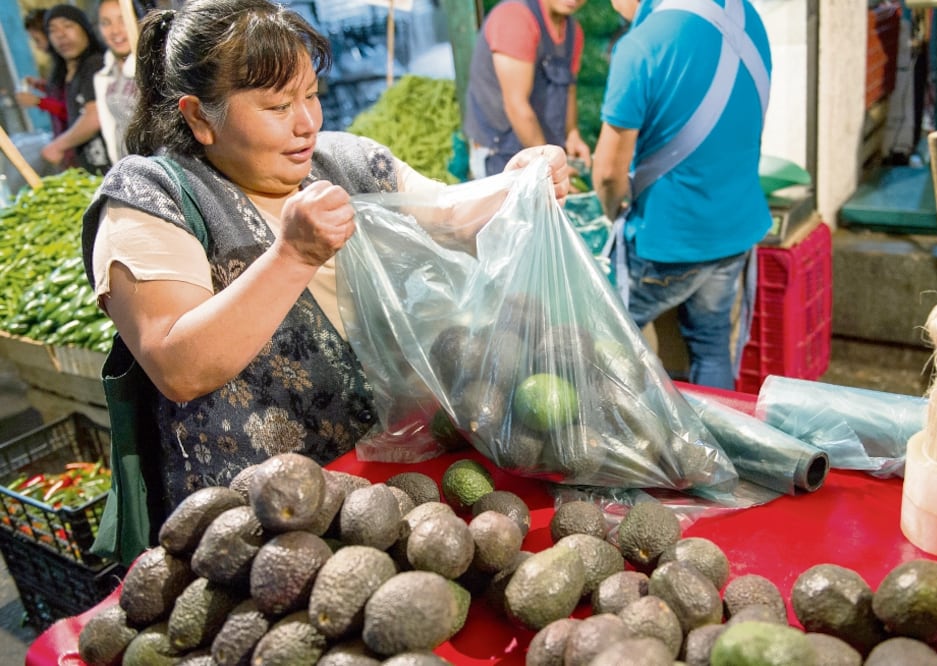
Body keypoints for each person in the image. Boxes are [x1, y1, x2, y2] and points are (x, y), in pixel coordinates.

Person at [81, 0, 569, 511]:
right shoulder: (151, 197)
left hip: (391, 482)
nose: (306, 123)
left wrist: (521, 181)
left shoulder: (345, 161)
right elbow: (179, 366)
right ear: (201, 117)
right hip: (263, 516)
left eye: (311, 95)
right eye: (277, 106)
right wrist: (293, 255)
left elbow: (449, 215)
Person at [591, 0, 772, 391]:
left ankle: (640, 442)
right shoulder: (746, 16)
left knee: (606, 344)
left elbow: (608, 174)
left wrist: (611, 211)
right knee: (710, 345)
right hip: (735, 228)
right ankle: (718, 446)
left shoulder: (641, 46)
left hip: (668, 241)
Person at [464, 0, 591, 178]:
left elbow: (569, 88)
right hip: (502, 157)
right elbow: (517, 106)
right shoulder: (515, 19)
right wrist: (548, 166)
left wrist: (572, 133)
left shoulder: (573, 32)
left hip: (541, 154)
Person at [38, 5, 111, 174]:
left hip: (112, 172)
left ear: (85, 29)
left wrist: (57, 146)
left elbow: (94, 116)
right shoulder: (69, 73)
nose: (61, 35)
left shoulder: (95, 64)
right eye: (53, 30)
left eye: (68, 26)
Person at [15, 9, 69, 149]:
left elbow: (70, 110)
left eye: (37, 40)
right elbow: (62, 93)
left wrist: (38, 102)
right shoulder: (58, 64)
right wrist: (42, 86)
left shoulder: (68, 64)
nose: (38, 47)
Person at [94, 0, 138, 164]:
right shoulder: (105, 75)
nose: (115, 30)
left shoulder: (155, 65)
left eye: (122, 19)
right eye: (106, 23)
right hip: (129, 172)